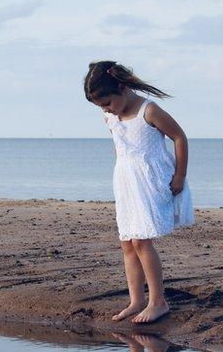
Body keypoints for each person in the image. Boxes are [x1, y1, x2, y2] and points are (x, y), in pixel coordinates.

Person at [83, 61, 195, 324]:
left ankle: (158, 301)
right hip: (126, 182)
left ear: (122, 88)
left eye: (107, 103)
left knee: (142, 241)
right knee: (127, 243)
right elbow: (120, 143)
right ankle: (137, 301)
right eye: (101, 106)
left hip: (149, 181)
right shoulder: (110, 115)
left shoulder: (149, 110)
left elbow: (179, 137)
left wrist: (180, 175)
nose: (106, 109)